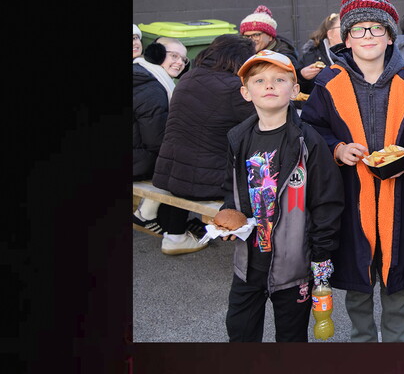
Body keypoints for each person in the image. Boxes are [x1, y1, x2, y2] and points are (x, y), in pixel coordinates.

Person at [301, 0, 404, 342]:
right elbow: (311, 128)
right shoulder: (329, 84)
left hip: (402, 201)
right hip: (349, 199)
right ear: (345, 39)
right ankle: (361, 344)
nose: (368, 35)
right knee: (357, 287)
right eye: (359, 29)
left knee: (396, 290)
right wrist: (337, 148)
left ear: (390, 36)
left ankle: (396, 346)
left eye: (377, 28)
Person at [219, 49, 345, 342]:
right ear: (246, 92)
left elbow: (327, 201)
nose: (269, 86)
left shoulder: (307, 141)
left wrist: (321, 255)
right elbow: (232, 189)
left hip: (294, 267)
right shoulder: (238, 138)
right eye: (259, 80)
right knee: (239, 333)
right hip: (248, 265)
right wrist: (229, 218)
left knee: (291, 339)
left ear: (296, 89)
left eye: (279, 79)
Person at [151, 34, 258, 255]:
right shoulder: (233, 88)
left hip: (170, 175)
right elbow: (261, 123)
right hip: (205, 183)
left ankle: (176, 234)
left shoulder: (189, 77)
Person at [132, 36, 186, 233]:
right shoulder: (152, 88)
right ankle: (172, 231)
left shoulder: (141, 74)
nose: (179, 62)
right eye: (174, 56)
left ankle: (150, 214)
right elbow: (156, 141)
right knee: (183, 162)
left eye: (183, 59)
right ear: (156, 54)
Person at [239, 4, 304, 85]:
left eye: (256, 35)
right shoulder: (241, 53)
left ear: (270, 36)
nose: (251, 40)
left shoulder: (284, 56)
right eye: (246, 36)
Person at [299, 13, 341, 95]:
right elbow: (297, 91)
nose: (347, 31)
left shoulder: (359, 53)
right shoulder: (311, 56)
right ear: (330, 34)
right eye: (342, 27)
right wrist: (302, 77)